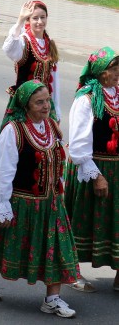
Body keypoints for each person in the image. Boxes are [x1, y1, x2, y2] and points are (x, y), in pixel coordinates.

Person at [0, 80, 79, 318]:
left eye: (47, 100)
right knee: (0, 241)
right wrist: (3, 203)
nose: (45, 106)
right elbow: (3, 169)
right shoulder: (14, 130)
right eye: (39, 102)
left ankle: (52, 299)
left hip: (50, 203)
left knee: (56, 249)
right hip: (20, 201)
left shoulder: (52, 126)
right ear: (26, 104)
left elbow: (57, 160)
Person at [65, 47, 119, 292]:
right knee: (82, 223)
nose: (118, 73)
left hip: (117, 170)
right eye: (113, 68)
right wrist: (96, 176)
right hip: (94, 169)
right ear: (100, 72)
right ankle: (71, 272)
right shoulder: (86, 99)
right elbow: (77, 146)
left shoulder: (117, 93)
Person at [2, 0, 60, 122]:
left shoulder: (49, 43)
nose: (40, 22)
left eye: (43, 17)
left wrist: (56, 108)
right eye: (35, 18)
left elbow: (54, 78)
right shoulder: (23, 41)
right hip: (25, 105)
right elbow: (8, 48)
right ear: (28, 20)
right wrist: (20, 20)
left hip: (44, 105)